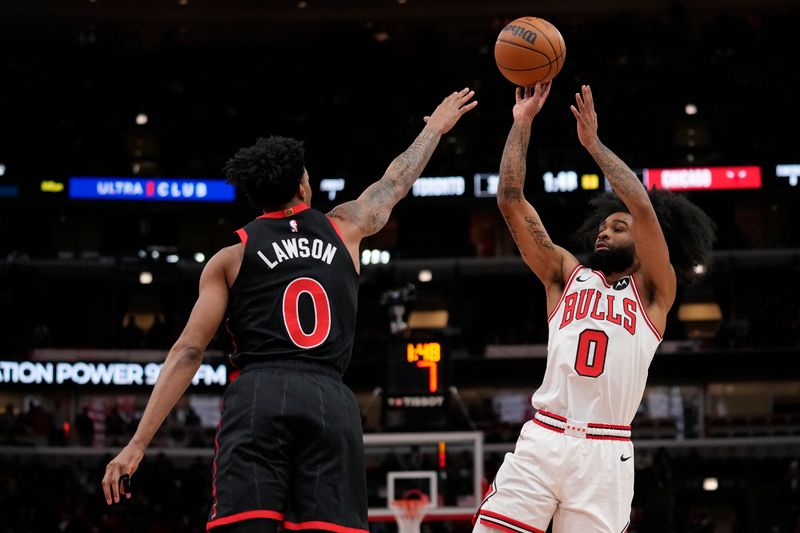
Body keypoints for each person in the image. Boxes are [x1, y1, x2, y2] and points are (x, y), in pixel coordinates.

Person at [101, 87, 477, 533]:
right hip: (329, 398)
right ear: (302, 185)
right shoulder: (345, 227)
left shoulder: (231, 257)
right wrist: (435, 129)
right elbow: (395, 182)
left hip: (257, 395)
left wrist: (137, 444)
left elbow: (187, 351)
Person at [473, 83, 714, 532]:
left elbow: (642, 206)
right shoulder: (565, 274)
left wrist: (593, 144)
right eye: (602, 226)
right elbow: (510, 200)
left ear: (643, 241)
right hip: (544, 437)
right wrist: (521, 122)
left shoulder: (654, 293)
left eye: (617, 227)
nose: (604, 232)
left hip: (605, 451)